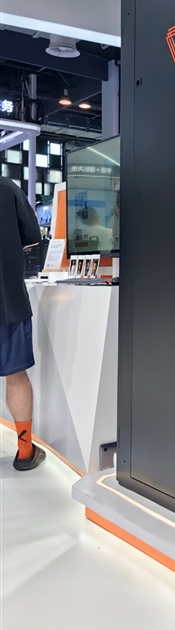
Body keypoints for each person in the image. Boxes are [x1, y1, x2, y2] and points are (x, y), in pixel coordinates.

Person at [0, 176, 45, 470]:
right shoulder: (7, 189)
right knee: (16, 376)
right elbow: (32, 236)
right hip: (7, 301)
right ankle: (25, 451)